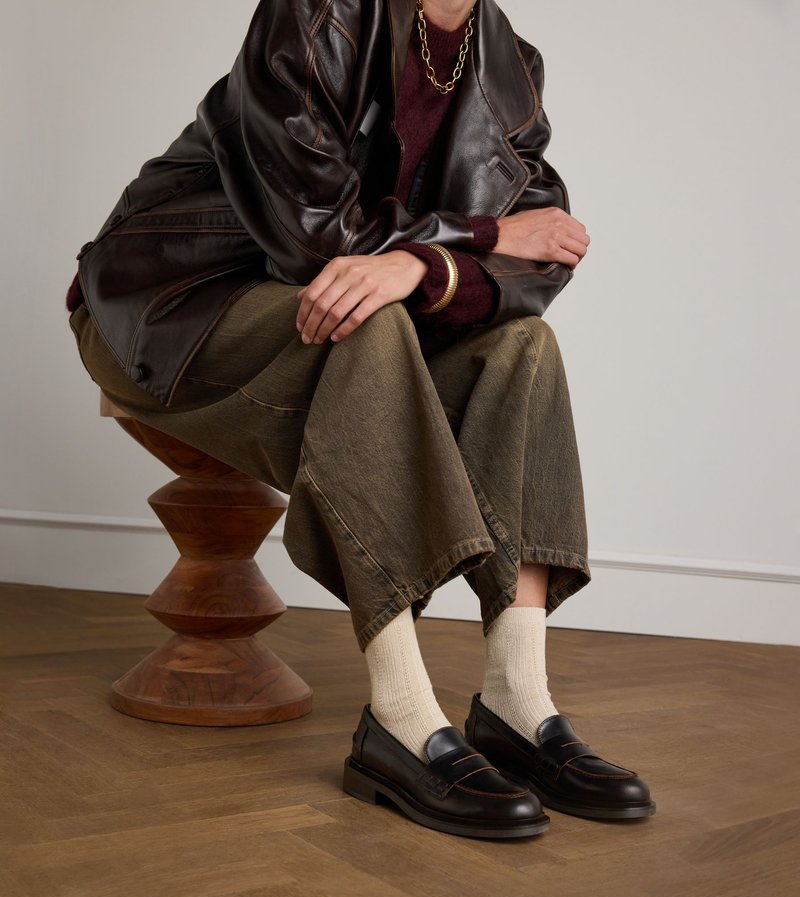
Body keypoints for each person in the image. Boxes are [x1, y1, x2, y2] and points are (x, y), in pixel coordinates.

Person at [66, 0, 655, 840]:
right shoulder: (313, 15)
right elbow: (315, 241)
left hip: (342, 313)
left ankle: (516, 700)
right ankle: (399, 716)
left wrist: (425, 270)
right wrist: (478, 236)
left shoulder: (511, 65)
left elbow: (544, 256)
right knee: (369, 325)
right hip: (173, 303)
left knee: (523, 348)